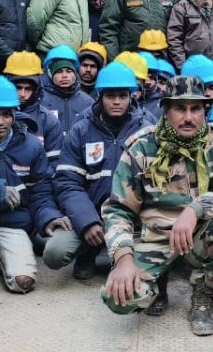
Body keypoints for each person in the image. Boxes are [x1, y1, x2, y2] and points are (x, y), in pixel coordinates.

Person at [101, 76, 213, 335]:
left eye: (196, 109)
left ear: (205, 110)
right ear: (166, 110)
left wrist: (195, 209)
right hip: (156, 237)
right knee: (119, 299)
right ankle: (157, 281)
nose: (188, 117)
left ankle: (204, 293)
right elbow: (118, 209)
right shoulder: (142, 147)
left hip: (200, 232)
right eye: (180, 109)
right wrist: (123, 258)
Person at [49, 63, 151, 280]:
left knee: (146, 272)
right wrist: (87, 221)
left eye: (122, 96)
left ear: (131, 97)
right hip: (93, 214)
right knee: (54, 253)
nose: (116, 101)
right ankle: (88, 252)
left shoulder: (148, 128)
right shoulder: (81, 129)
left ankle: (126, 252)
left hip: (135, 217)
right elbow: (68, 182)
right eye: (110, 95)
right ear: (100, 96)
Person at [0, 76, 60, 294]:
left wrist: (48, 218)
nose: (1, 121)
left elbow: (41, 191)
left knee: (22, 282)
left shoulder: (31, 145)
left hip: (10, 223)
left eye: (6, 114)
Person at [3, 51, 63, 165]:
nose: (22, 94)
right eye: (18, 88)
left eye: (28, 89)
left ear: (36, 89)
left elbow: (55, 164)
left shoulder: (49, 121)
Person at [40, 45, 93, 138]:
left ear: (75, 74)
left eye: (68, 71)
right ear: (50, 74)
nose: (64, 76)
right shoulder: (40, 100)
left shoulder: (88, 102)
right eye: (59, 71)